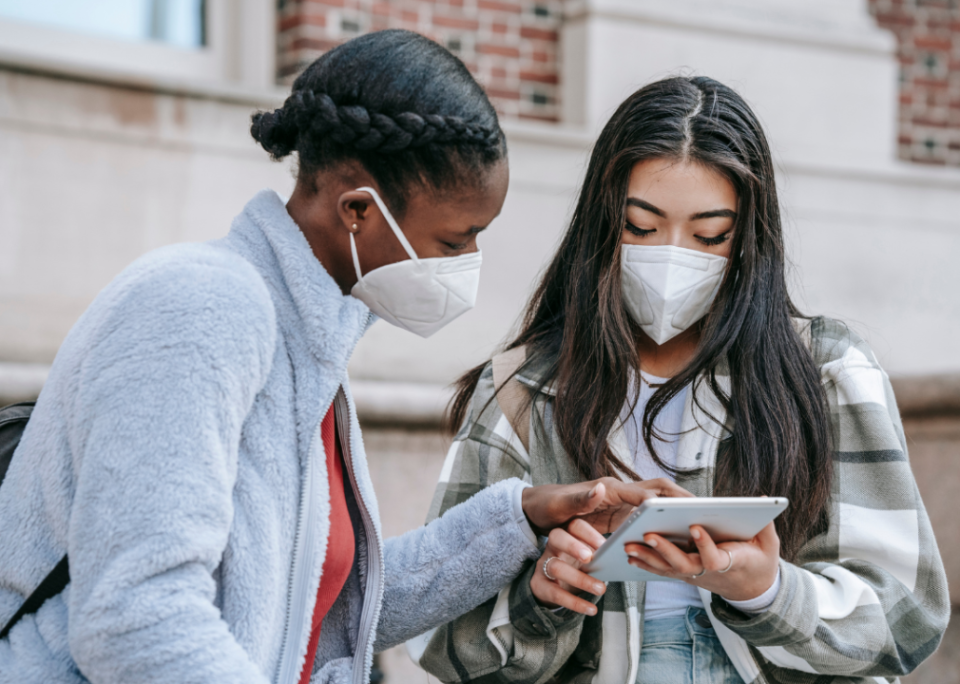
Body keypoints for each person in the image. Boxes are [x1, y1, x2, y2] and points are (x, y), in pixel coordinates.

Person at [0, 31, 685, 684]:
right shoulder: (200, 307)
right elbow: (134, 617)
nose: (469, 264)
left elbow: (324, 604)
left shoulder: (311, 347)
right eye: (454, 241)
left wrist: (524, 516)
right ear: (359, 209)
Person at [411, 76, 950, 684]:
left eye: (709, 236)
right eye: (641, 227)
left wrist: (768, 591)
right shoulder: (521, 389)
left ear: (748, 238)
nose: (672, 256)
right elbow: (438, 635)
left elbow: (908, 615)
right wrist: (540, 600)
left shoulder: (827, 372)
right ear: (600, 224)